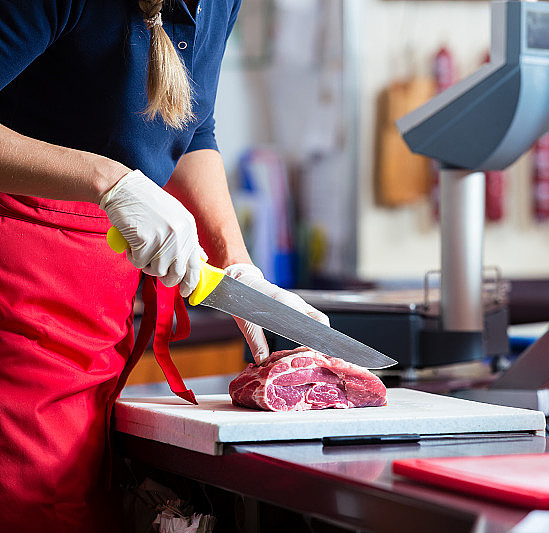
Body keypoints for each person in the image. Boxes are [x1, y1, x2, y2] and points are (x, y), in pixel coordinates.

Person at [0, 1, 328, 531]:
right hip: (16, 275)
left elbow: (190, 126)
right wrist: (106, 179)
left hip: (97, 293)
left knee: (75, 490)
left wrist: (236, 262)